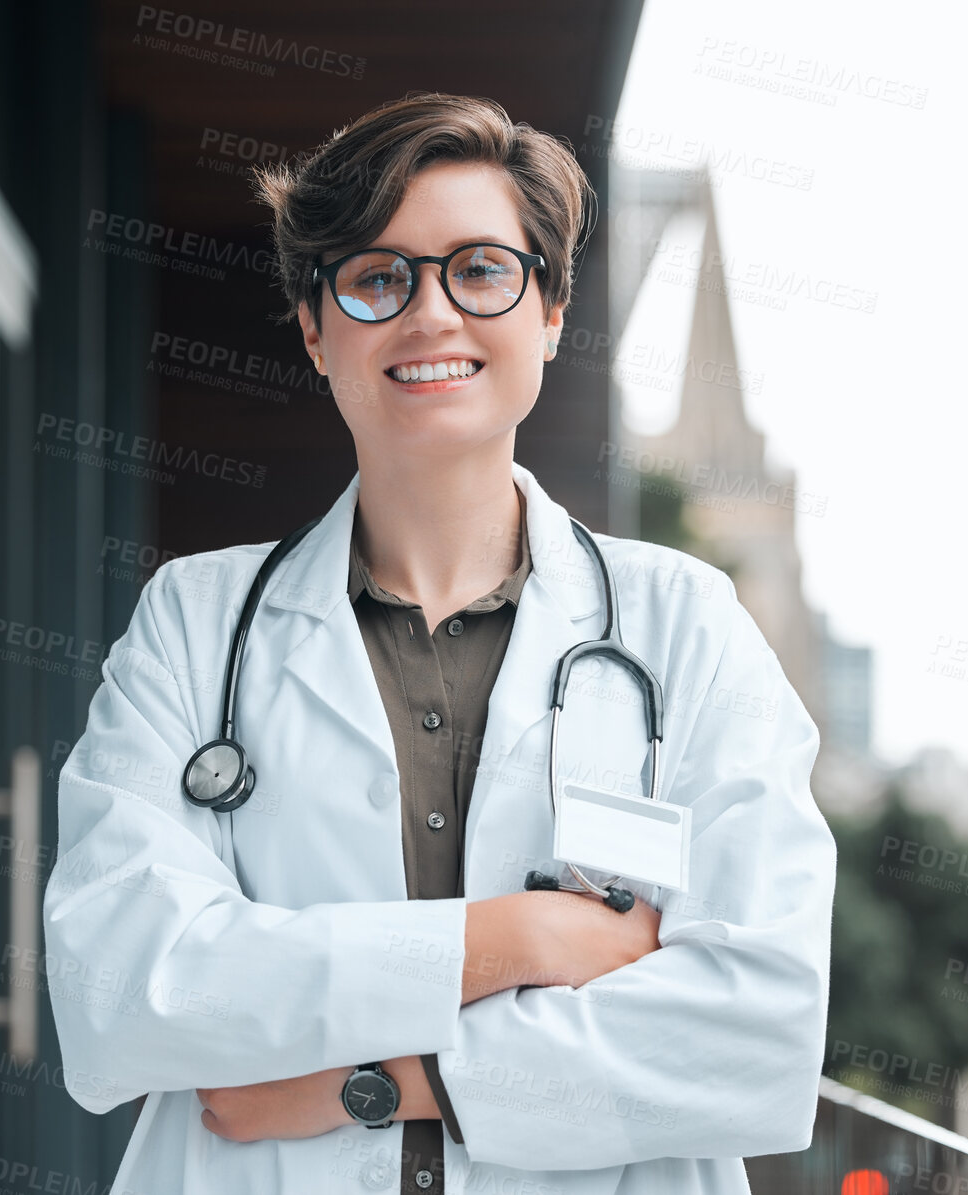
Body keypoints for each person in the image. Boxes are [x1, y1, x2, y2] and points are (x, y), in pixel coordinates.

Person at [42, 91, 836, 1195]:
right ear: (316, 330)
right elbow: (121, 992)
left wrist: (374, 1081)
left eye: (479, 269)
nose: (430, 315)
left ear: (549, 313)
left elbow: (756, 1037)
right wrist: (516, 939)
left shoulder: (684, 627)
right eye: (377, 278)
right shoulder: (195, 622)